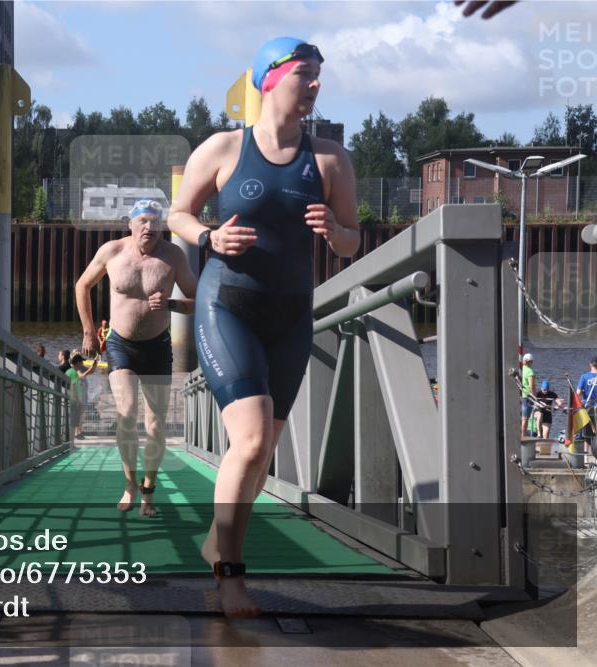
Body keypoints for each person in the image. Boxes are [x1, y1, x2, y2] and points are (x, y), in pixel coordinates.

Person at [167, 37, 360, 617]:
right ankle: (229, 577)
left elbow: (352, 243)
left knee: (261, 454)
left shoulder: (329, 160)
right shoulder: (225, 148)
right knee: (249, 442)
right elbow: (179, 211)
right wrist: (208, 237)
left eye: (320, 75)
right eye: (306, 73)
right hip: (228, 305)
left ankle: (214, 544)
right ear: (270, 78)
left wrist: (334, 230)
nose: (317, 84)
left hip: (291, 316)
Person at [76, 199, 198, 517]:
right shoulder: (112, 252)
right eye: (142, 220)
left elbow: (196, 299)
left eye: (155, 222)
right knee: (127, 413)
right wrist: (89, 332)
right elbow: (82, 285)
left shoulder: (173, 256)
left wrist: (171, 303)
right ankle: (129, 484)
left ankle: (148, 491)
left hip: (158, 346)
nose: (149, 227)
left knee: (156, 425)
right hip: (121, 345)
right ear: (129, 224)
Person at [65, 353, 98, 439]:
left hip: (80, 395)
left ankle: (78, 433)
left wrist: (94, 364)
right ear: (78, 362)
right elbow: (81, 377)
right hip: (77, 397)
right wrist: (78, 399)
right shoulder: (74, 371)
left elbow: (91, 371)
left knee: (80, 414)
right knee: (77, 415)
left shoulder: (78, 368)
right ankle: (77, 434)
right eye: (81, 362)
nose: (83, 363)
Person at [520, 353, 536, 438]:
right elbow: (532, 386)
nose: (532, 363)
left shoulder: (521, 369)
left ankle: (522, 434)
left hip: (522, 396)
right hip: (528, 397)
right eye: (531, 362)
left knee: (523, 417)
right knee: (525, 418)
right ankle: (523, 436)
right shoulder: (530, 371)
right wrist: (535, 397)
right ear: (529, 361)